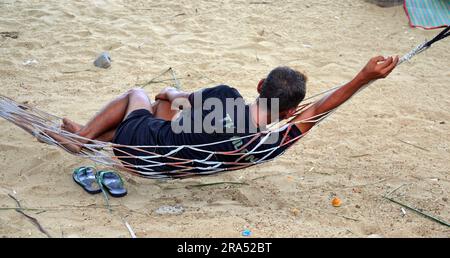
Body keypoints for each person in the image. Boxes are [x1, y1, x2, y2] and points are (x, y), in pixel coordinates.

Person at [47, 55, 398, 172]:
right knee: (163, 111)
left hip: (138, 149)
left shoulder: (225, 97)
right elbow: (321, 108)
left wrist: (167, 92)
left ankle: (81, 139)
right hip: (168, 161)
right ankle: (90, 132)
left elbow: (178, 96)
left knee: (138, 95)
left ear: (259, 84)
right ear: (290, 110)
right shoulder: (266, 142)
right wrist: (363, 78)